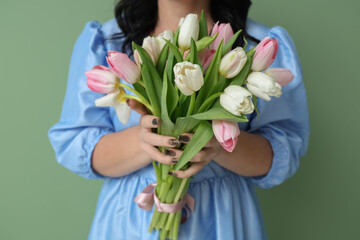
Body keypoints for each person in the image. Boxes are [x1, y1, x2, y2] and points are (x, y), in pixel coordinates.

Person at [48, 0, 310, 239]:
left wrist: (218, 144)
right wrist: (142, 142)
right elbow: (75, 144)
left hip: (222, 220)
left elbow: (284, 152)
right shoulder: (107, 42)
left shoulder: (258, 44)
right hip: (129, 224)